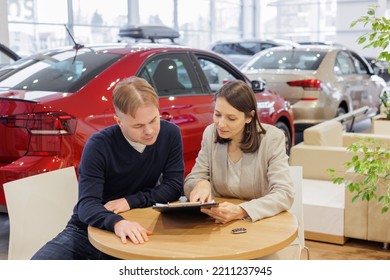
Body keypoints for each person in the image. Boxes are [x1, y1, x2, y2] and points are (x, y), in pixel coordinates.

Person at [32, 76, 184, 260]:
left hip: (139, 226)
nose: (149, 131)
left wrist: (130, 201)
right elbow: (87, 205)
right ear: (118, 121)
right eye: (138, 126)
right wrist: (117, 223)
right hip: (87, 230)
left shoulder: (170, 134)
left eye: (153, 120)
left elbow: (174, 187)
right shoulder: (99, 145)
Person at [184, 80, 296, 258]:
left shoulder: (272, 139)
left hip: (259, 229)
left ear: (249, 117)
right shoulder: (210, 133)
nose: (220, 124)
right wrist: (201, 184)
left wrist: (242, 211)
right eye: (217, 114)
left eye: (231, 118)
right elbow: (191, 180)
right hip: (219, 229)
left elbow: (284, 194)